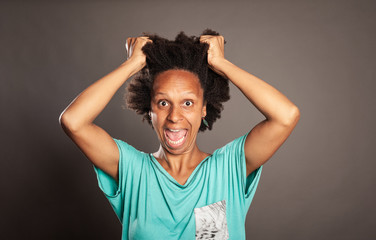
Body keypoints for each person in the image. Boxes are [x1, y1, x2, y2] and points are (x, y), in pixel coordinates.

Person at [59, 29, 300, 240]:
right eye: (163, 103)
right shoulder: (133, 171)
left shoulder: (229, 168)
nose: (175, 116)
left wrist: (221, 64)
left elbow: (286, 115)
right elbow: (73, 121)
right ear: (149, 109)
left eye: (188, 103)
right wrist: (132, 64)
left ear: (204, 108)